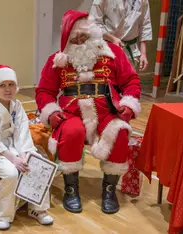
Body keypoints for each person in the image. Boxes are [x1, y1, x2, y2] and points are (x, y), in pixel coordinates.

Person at [35, 9, 141, 214]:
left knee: (118, 132)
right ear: (68, 38)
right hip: (71, 112)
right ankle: (70, 188)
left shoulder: (113, 53)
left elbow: (131, 81)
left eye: (85, 36)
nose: (81, 41)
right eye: (76, 38)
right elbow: (44, 91)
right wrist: (51, 112)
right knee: (72, 132)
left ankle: (109, 189)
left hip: (108, 110)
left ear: (93, 33)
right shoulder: (57, 61)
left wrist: (128, 105)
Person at [0, 65, 54, 230]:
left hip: (17, 147)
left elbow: (22, 131)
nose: (7, 89)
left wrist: (24, 154)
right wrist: (14, 159)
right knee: (11, 173)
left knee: (38, 165)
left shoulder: (16, 105)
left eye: (11, 84)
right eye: (2, 85)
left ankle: (38, 210)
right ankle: (5, 215)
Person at [89, 0, 152, 71]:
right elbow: (93, 24)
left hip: (131, 51)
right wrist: (112, 39)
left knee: (129, 80)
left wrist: (143, 54)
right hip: (108, 48)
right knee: (109, 79)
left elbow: (144, 24)